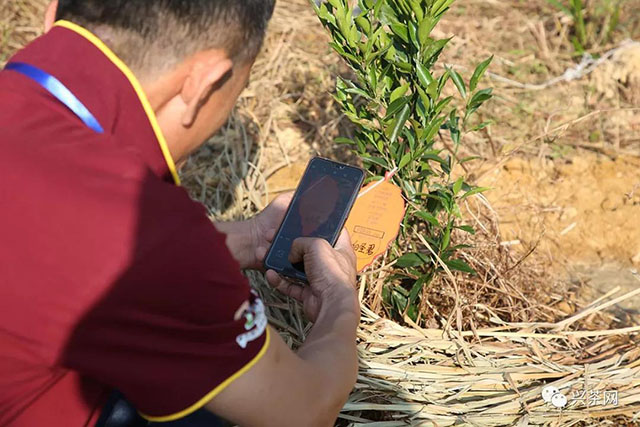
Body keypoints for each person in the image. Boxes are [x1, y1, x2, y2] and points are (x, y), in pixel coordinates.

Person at [0, 1, 360, 426]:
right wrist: (339, 299)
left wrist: (246, 240)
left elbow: (59, 245)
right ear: (202, 83)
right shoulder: (145, 228)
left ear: (53, 14)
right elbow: (306, 409)